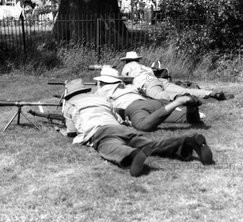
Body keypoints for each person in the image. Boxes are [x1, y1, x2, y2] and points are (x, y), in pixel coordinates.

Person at [61, 79, 215, 177]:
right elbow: (118, 119)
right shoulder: (100, 99)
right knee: (151, 145)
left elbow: (71, 132)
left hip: (99, 132)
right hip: (120, 128)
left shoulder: (69, 105)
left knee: (109, 147)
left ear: (68, 95)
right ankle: (187, 142)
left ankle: (133, 155)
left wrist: (63, 131)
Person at [93, 66, 203, 131]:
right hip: (150, 96)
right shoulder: (129, 81)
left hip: (135, 105)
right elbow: (149, 76)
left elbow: (101, 105)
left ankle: (178, 102)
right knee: (187, 119)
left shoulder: (102, 90)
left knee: (143, 125)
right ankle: (191, 107)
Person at [120, 51, 230, 102]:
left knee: (159, 95)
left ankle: (180, 99)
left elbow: (125, 80)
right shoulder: (142, 66)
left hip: (147, 84)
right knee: (184, 89)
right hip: (158, 80)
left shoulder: (127, 67)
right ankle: (210, 93)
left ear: (126, 60)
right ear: (137, 59)